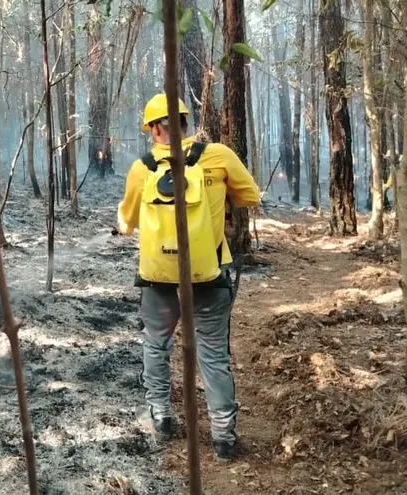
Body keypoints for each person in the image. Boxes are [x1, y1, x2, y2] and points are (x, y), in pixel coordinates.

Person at [115, 93, 261, 462]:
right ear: (184, 122)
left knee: (155, 345)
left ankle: (162, 418)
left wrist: (124, 221)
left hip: (158, 282)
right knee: (213, 355)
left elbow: (126, 225)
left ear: (152, 129)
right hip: (209, 279)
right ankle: (224, 438)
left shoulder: (141, 168)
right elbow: (250, 197)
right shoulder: (218, 156)